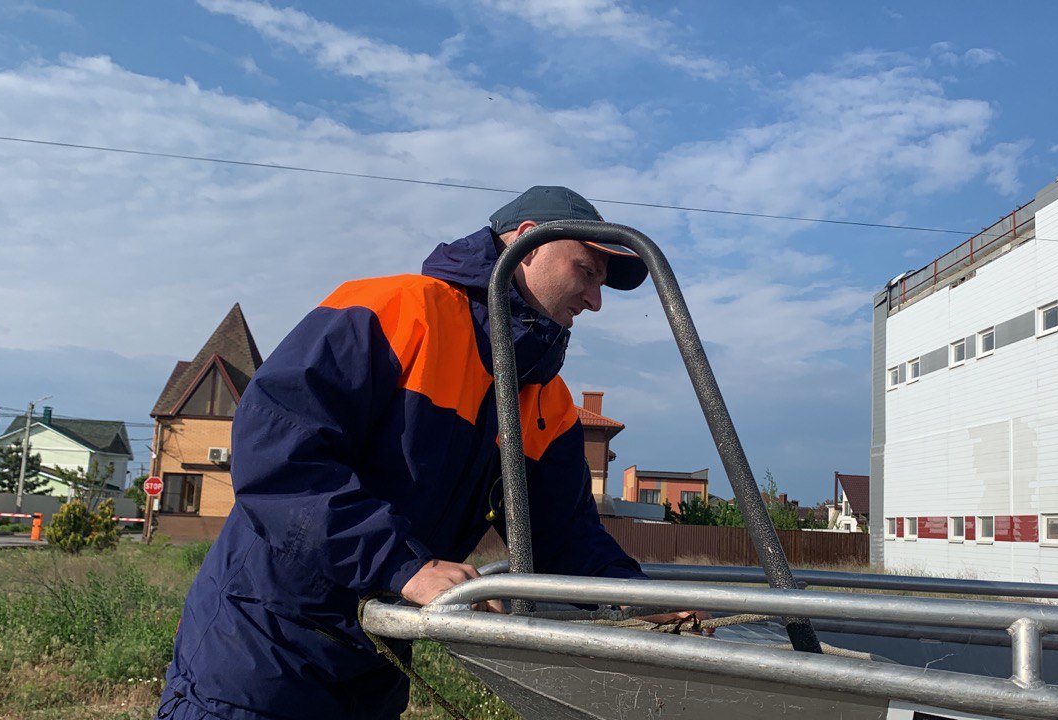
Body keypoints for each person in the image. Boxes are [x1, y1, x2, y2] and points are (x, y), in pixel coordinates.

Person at [158, 186, 676, 720]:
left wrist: (637, 599)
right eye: (587, 271)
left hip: (373, 664)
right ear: (527, 243)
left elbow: (565, 534)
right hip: (258, 650)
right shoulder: (394, 311)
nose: (595, 300)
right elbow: (278, 456)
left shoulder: (548, 400)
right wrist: (405, 565)